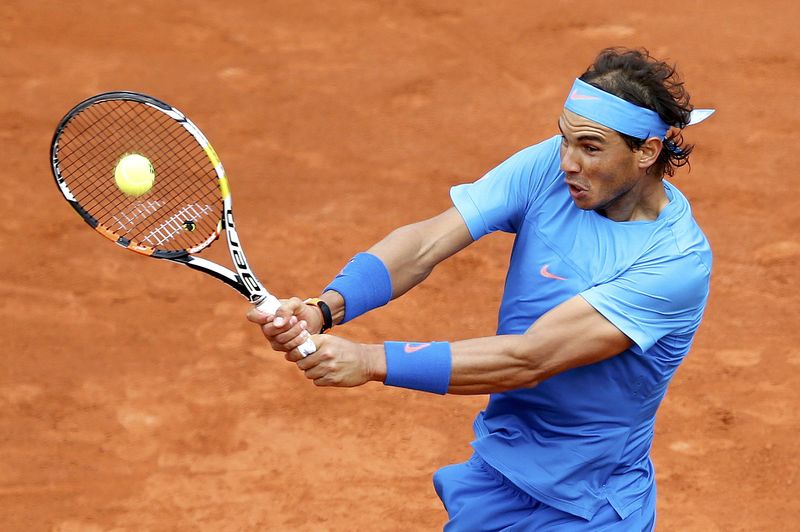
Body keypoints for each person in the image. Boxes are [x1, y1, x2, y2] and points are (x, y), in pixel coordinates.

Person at [246, 47, 714, 530]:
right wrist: (326, 308)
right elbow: (428, 241)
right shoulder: (548, 171)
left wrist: (369, 361)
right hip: (499, 469)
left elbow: (530, 359)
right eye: (564, 140)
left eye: (591, 148)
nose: (568, 163)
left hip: (590, 504)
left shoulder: (674, 263)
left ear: (646, 152)